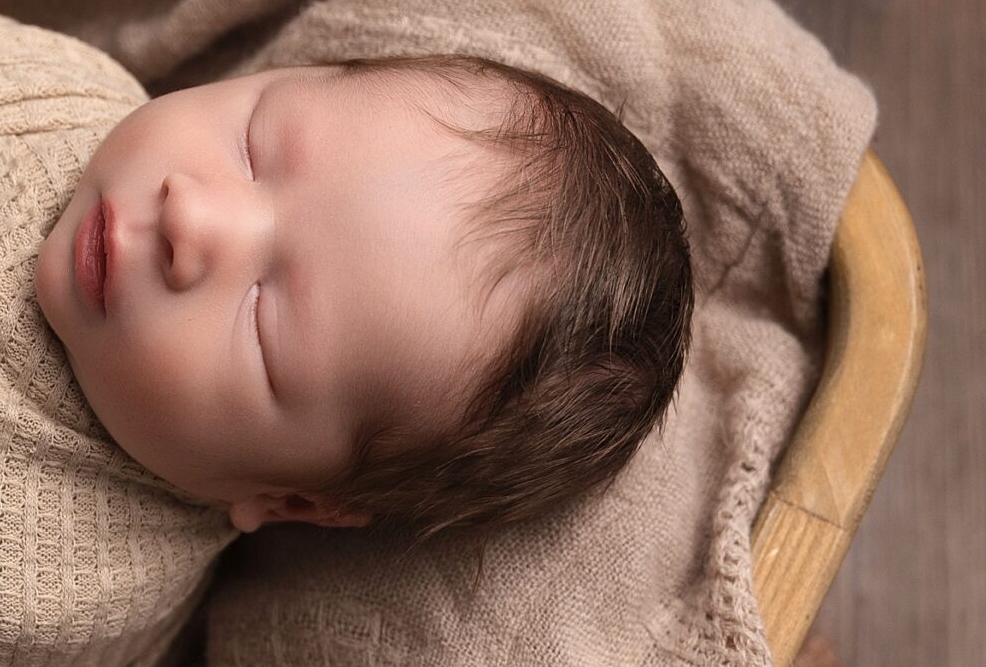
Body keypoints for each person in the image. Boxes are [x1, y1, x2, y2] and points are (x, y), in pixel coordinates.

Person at [36, 51, 694, 540]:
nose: (193, 219)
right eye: (253, 147)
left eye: (263, 321)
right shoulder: (56, 79)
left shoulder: (39, 583)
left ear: (291, 500)